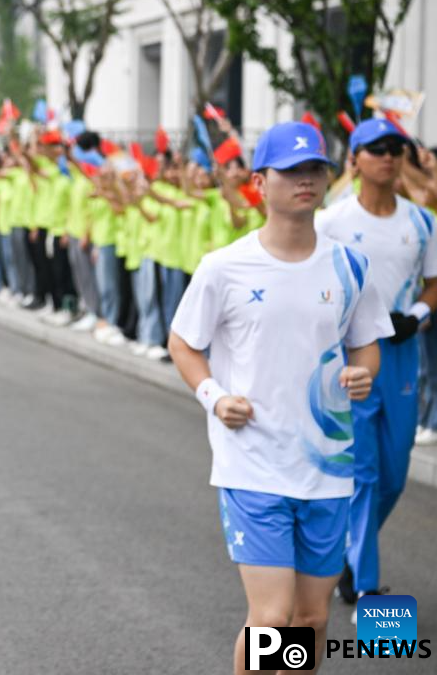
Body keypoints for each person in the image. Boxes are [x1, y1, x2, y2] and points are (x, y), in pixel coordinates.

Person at [168, 121, 391, 674]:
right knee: (271, 617)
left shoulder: (350, 265)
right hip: (254, 465)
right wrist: (214, 396)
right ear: (261, 183)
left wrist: (363, 373)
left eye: (314, 168)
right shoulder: (225, 267)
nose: (305, 180)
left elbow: (365, 345)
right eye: (291, 171)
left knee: (312, 619)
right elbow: (183, 343)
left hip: (328, 466)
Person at [315, 118, 437, 616]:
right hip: (350, 355)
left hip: (402, 351)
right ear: (355, 159)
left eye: (396, 148)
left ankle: (347, 547)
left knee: (394, 471)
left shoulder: (422, 222)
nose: (388, 156)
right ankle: (364, 582)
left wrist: (418, 316)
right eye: (377, 148)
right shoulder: (331, 221)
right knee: (363, 470)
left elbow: (434, 283)